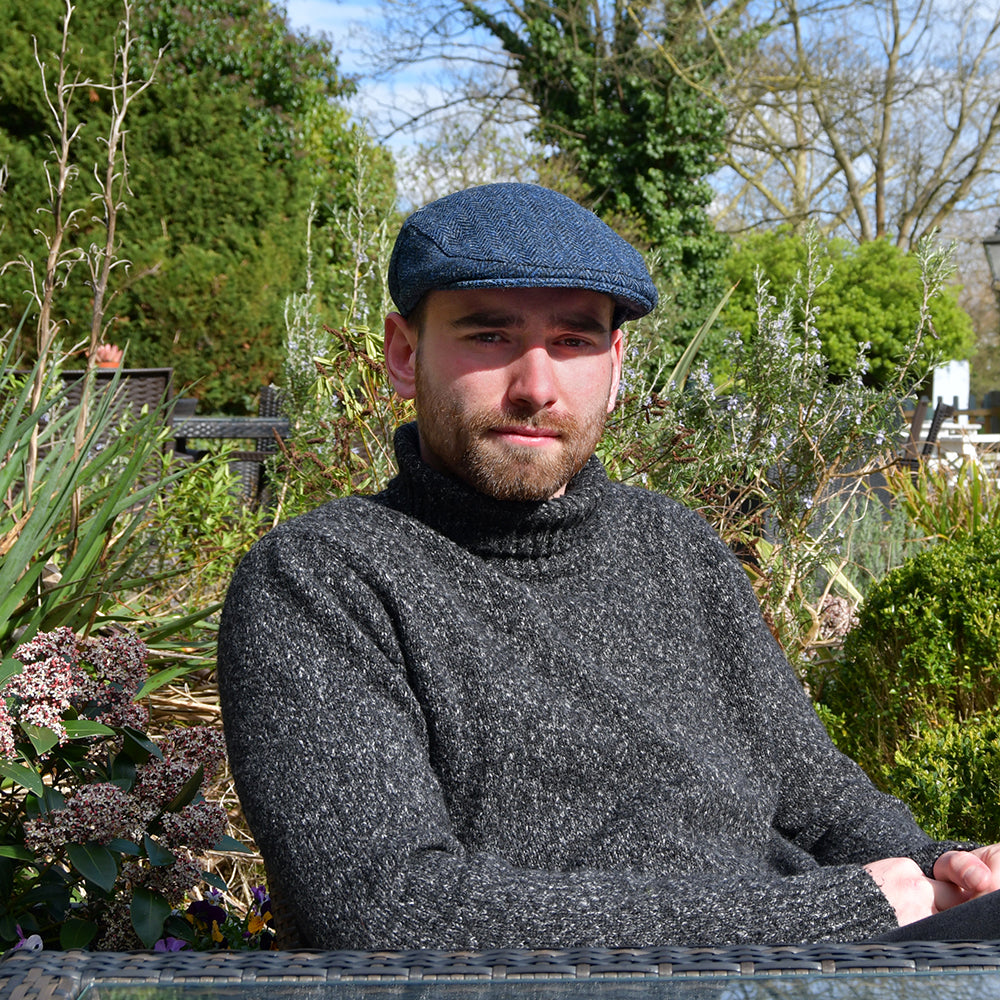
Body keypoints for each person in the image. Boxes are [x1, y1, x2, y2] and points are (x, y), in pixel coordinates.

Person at [217, 182, 1000, 951]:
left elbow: (818, 799)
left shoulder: (677, 551)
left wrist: (946, 865)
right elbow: (390, 911)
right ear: (402, 351)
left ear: (617, 362)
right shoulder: (322, 582)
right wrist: (838, 914)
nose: (536, 387)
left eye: (573, 341)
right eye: (489, 336)